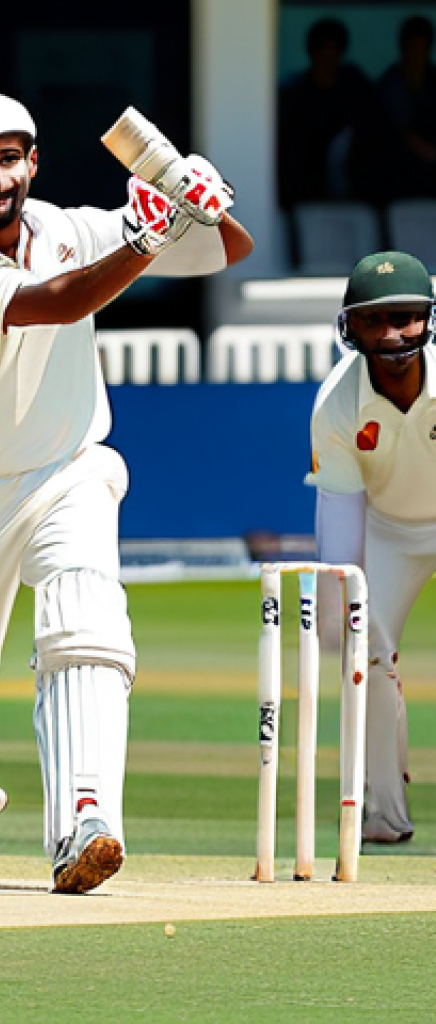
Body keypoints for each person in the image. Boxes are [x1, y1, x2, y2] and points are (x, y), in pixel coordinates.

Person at [0, 92, 253, 893]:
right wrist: (153, 230)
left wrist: (202, 201)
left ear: (33, 162)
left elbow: (229, 249)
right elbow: (60, 303)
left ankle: (86, 822)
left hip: (72, 468)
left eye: (11, 158)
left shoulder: (70, 226)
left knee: (82, 622)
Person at [306, 250, 436, 844]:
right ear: (349, 327)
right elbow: (340, 515)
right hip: (387, 527)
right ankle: (383, 811)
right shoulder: (335, 407)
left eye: (406, 316)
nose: (392, 334)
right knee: (364, 650)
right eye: (373, 320)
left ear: (428, 319)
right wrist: (339, 610)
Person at [277, 18, 379, 210]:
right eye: (322, 50)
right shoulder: (296, 97)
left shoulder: (357, 92)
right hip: (306, 198)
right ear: (312, 52)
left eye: (333, 50)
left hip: (352, 199)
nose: (327, 58)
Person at [378, 16, 436, 199]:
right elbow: (402, 132)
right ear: (402, 47)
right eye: (411, 48)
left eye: (421, 48)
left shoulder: (433, 80)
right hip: (399, 179)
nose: (415, 54)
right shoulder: (391, 84)